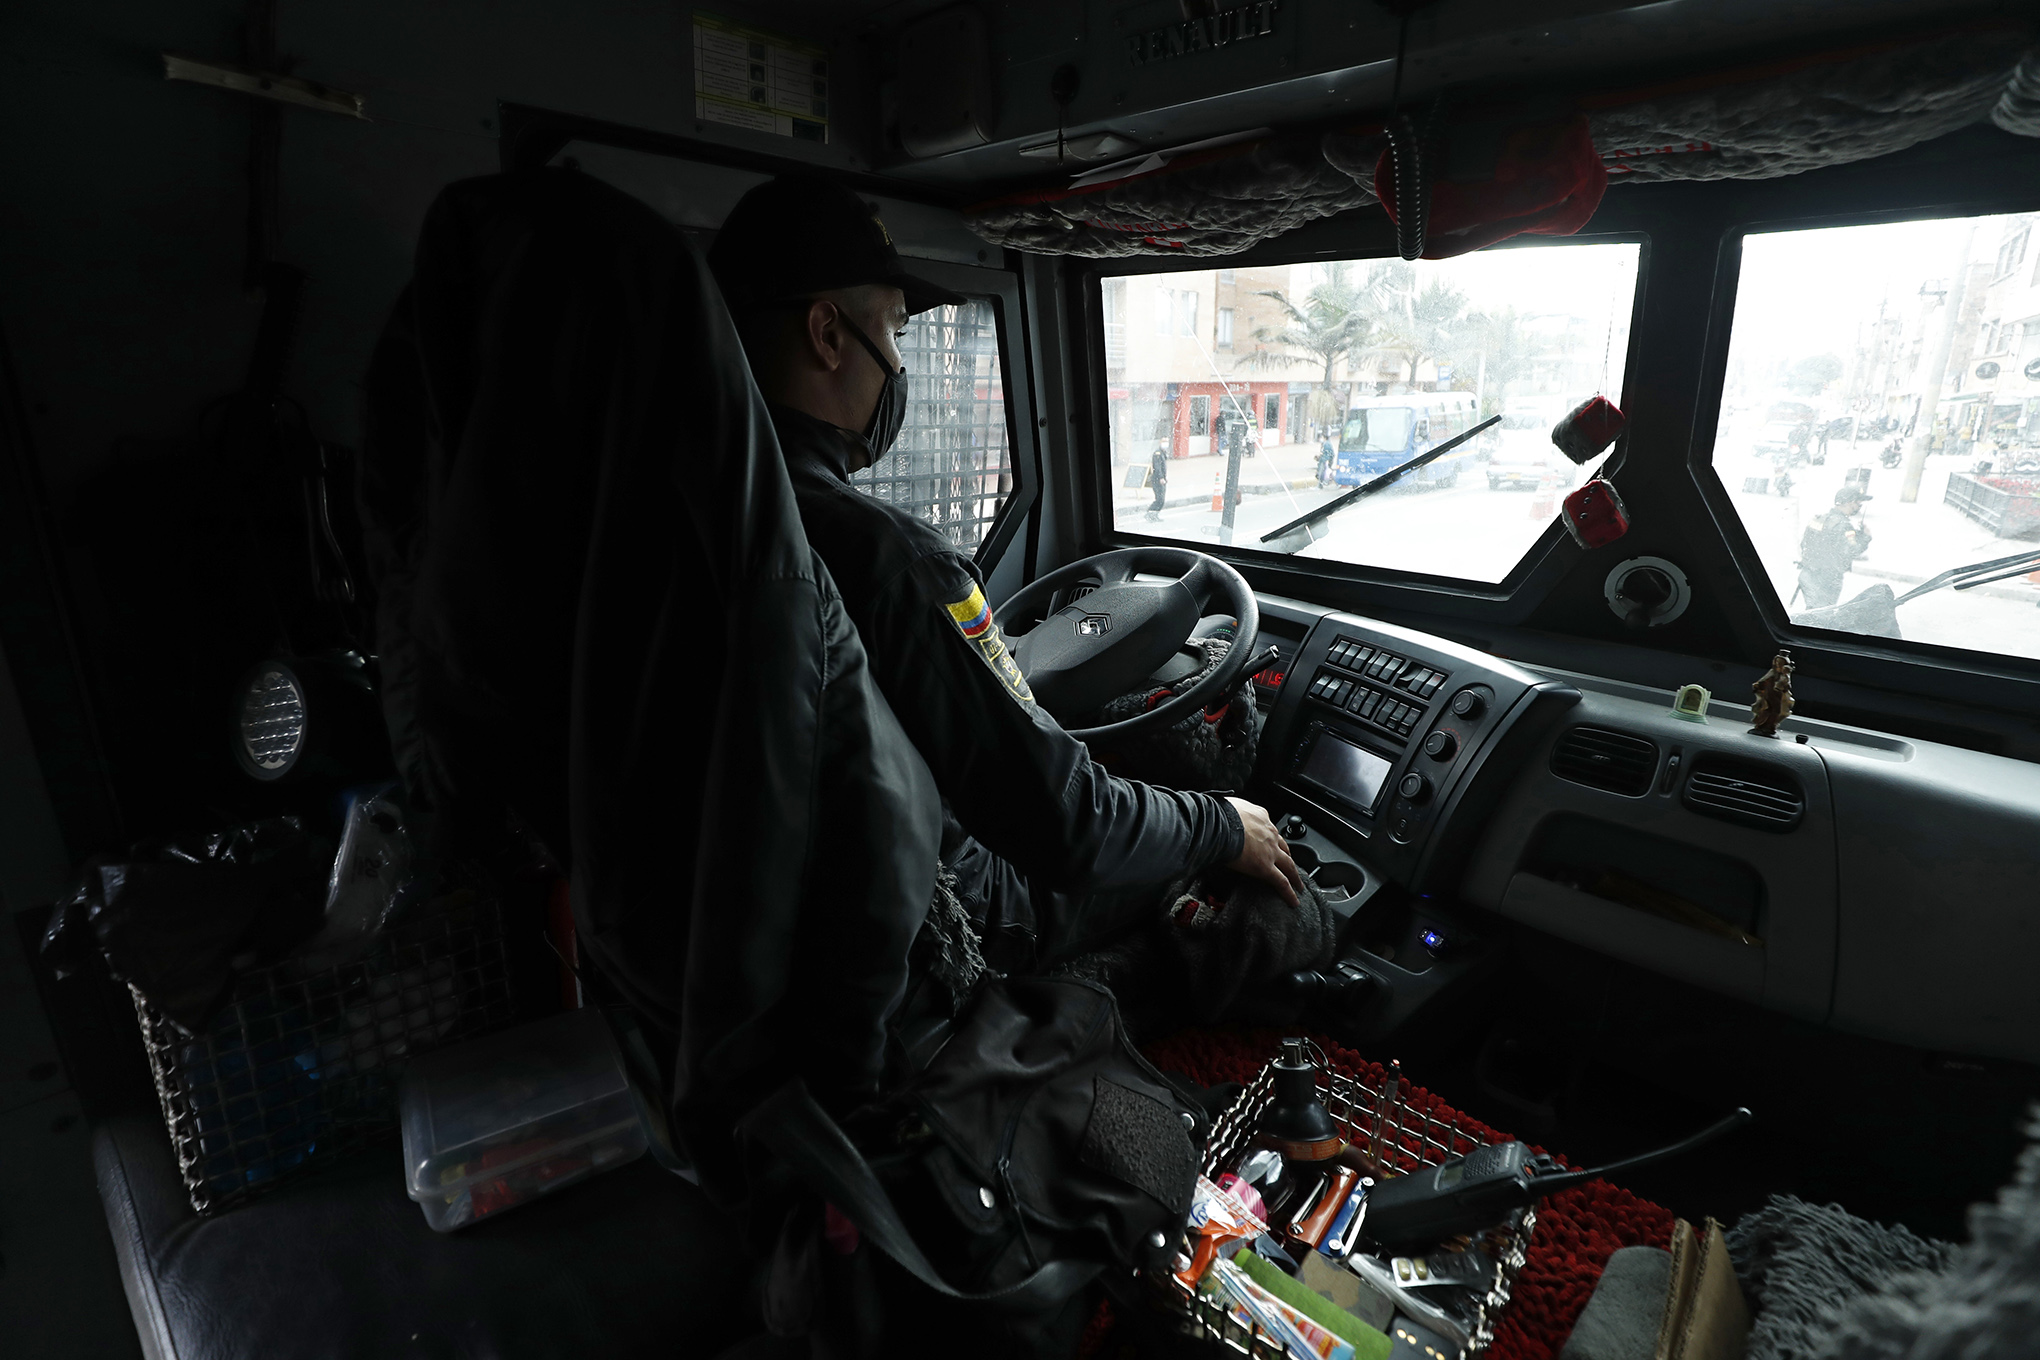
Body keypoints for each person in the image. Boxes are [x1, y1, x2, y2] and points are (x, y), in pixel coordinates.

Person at [708, 175, 1300, 980]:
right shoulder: (889, 559)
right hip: (953, 920)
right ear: (826, 334)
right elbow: (1072, 826)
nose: (895, 367)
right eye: (892, 330)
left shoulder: (701, 510)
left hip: (771, 920)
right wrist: (1225, 826)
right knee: (1222, 836)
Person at [1797, 486, 1873, 609]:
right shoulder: (1844, 526)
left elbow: (1805, 544)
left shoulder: (1819, 519)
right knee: (1821, 616)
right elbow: (1852, 551)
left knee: (1812, 613)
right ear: (1850, 502)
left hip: (1808, 574)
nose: (1860, 506)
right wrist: (1865, 537)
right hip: (1827, 579)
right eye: (1858, 503)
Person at [1148, 444, 1169, 520]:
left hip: (1162, 479)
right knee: (1160, 499)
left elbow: (1163, 467)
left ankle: (1154, 514)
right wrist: (1160, 477)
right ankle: (1150, 512)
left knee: (1161, 500)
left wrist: (1165, 477)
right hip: (1157, 480)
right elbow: (1157, 467)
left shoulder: (1163, 453)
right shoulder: (1157, 454)